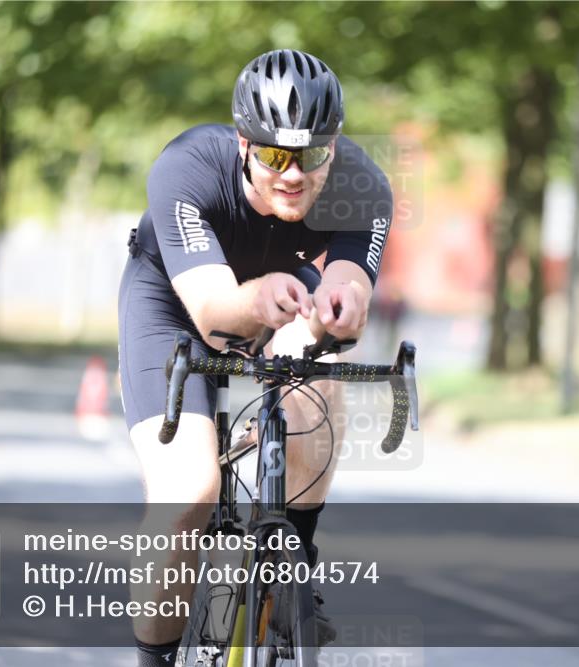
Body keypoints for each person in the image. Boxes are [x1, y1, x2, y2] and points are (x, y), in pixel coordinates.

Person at [117, 50, 393, 667]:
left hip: (281, 290)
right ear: (244, 144)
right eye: (273, 155)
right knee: (189, 492)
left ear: (333, 147)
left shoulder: (362, 185)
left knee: (321, 370)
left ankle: (297, 563)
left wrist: (338, 311)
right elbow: (214, 312)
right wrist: (258, 298)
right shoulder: (187, 165)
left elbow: (348, 286)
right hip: (172, 302)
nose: (292, 174)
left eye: (311, 156)